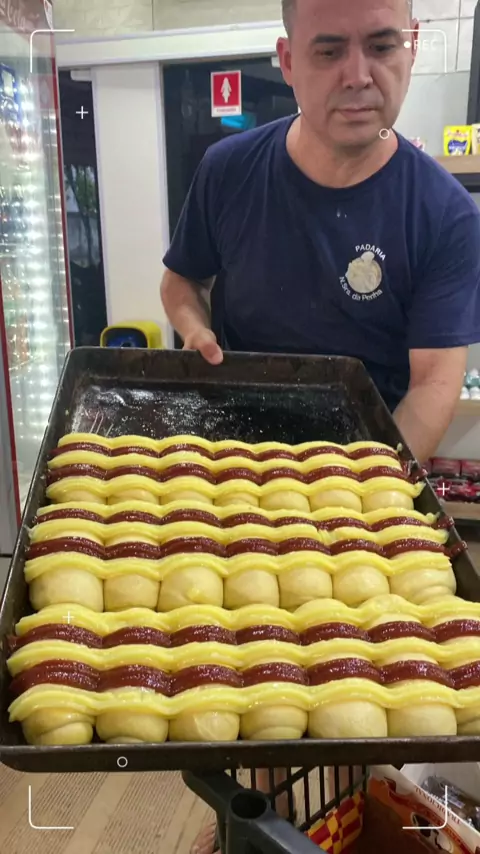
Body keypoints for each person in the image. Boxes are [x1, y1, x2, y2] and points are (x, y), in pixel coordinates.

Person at [161, 0, 480, 851]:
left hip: (366, 486)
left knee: (362, 701)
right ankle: (263, 824)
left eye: (381, 45)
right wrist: (193, 328)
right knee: (252, 697)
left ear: (411, 47)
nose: (358, 75)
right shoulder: (230, 170)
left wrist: (356, 502)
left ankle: (335, 821)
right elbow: (180, 282)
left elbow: (434, 382)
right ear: (287, 59)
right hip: (227, 480)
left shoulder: (442, 213)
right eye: (329, 49)